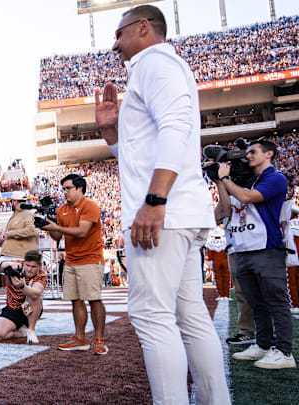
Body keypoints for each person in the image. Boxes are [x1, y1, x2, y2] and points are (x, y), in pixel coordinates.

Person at [95, 5, 230, 403]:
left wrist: (155, 200)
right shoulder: (160, 66)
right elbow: (142, 154)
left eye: (119, 33)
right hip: (178, 213)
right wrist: (110, 133)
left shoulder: (154, 64)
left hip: (165, 214)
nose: (114, 43)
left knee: (153, 318)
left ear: (142, 28)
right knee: (190, 318)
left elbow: (174, 128)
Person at [213, 140, 295, 369]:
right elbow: (226, 211)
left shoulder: (275, 178)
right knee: (256, 302)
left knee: (276, 302)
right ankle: (263, 344)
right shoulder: (247, 182)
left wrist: (227, 179)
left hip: (267, 247)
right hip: (243, 248)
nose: (248, 156)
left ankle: (285, 352)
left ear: (269, 154)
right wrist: (220, 182)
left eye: (253, 152)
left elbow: (248, 198)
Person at [42, 174, 108, 355]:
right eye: (63, 189)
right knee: (76, 300)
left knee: (94, 299)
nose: (65, 192)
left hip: (90, 259)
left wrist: (55, 227)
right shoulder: (62, 209)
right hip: (71, 259)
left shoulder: (90, 206)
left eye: (68, 188)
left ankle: (99, 339)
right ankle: (80, 338)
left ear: (80, 188)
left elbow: (81, 231)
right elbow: (57, 237)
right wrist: (46, 227)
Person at [0, 250, 46, 343]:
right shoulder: (18, 266)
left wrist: (22, 286)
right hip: (12, 309)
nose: (29, 269)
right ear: (24, 263)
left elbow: (36, 292)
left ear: (39, 267)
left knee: (34, 297)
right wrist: (7, 265)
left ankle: (31, 330)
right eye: (27, 265)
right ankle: (20, 331)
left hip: (30, 309)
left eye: (33, 267)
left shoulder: (41, 275)